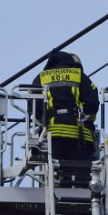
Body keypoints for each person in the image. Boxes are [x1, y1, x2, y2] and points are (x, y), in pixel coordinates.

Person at [32, 50, 99, 187]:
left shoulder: (40, 79)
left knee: (52, 174)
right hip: (79, 136)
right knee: (81, 177)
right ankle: (83, 199)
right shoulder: (80, 77)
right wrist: (87, 121)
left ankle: (53, 194)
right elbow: (92, 103)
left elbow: (34, 109)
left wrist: (45, 122)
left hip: (51, 136)